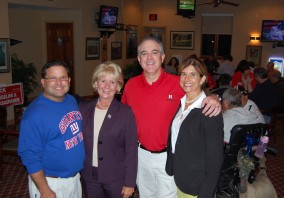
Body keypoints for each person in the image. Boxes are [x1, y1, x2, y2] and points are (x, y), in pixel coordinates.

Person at [121, 36, 221, 198]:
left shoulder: (180, 82)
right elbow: (122, 118)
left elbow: (200, 94)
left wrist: (216, 98)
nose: (149, 58)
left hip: (169, 157)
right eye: (144, 54)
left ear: (162, 57)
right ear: (139, 59)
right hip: (141, 156)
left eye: (154, 52)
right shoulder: (131, 85)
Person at [18, 61, 85, 198]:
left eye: (63, 77)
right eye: (52, 78)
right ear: (43, 82)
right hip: (51, 183)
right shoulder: (34, 114)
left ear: (69, 80)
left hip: (74, 179)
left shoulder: (71, 100)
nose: (59, 82)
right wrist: (45, 190)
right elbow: (30, 156)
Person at [165, 55, 224, 197]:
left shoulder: (209, 110)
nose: (186, 79)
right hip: (180, 177)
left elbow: (215, 158)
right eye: (183, 74)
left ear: (202, 79)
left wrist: (205, 193)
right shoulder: (182, 102)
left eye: (193, 74)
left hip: (196, 185)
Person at [79, 61, 138, 198]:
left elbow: (131, 150)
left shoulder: (125, 112)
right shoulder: (83, 108)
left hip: (116, 178)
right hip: (89, 176)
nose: (107, 86)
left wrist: (130, 183)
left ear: (118, 86)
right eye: (103, 81)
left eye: (112, 82)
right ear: (96, 83)